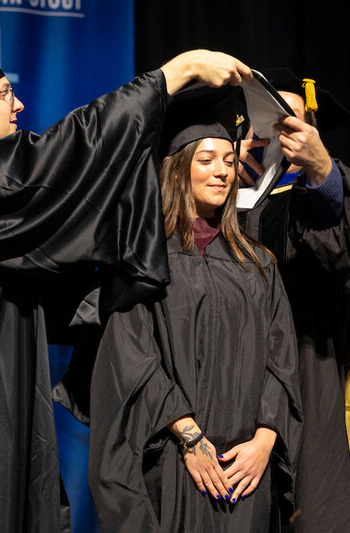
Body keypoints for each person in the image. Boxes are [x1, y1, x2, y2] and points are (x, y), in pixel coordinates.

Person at [0, 31, 253, 533]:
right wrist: (173, 75)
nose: (18, 105)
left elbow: (40, 250)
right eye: (4, 95)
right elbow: (65, 155)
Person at [83, 89, 303, 533]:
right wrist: (190, 438)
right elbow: (132, 360)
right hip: (175, 464)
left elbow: (282, 364)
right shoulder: (145, 262)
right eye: (206, 160)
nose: (222, 172)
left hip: (247, 473)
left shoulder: (258, 265)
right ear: (178, 169)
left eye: (228, 160)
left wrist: (265, 440)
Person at [239, 68, 350, 533]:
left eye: (291, 125)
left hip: (303, 386)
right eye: (262, 123)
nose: (274, 136)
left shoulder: (320, 201)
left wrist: (321, 170)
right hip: (223, 397)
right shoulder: (211, 199)